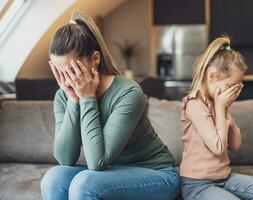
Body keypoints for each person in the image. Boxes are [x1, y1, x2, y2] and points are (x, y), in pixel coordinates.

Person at [40, 11, 179, 200]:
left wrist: (87, 98)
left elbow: (98, 162)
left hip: (156, 174)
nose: (68, 81)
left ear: (95, 59)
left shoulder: (128, 92)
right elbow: (65, 159)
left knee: (85, 184)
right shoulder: (63, 96)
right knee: (53, 179)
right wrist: (74, 100)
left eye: (73, 71)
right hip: (112, 173)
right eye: (60, 73)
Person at [179, 37, 253, 200]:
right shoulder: (194, 103)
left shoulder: (218, 103)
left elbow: (235, 145)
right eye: (231, 86)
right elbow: (218, 148)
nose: (234, 93)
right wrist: (221, 108)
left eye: (237, 87)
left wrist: (226, 109)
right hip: (197, 184)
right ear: (212, 77)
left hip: (224, 177)